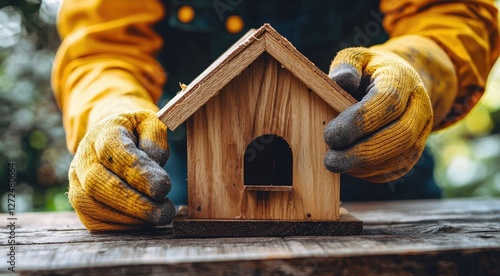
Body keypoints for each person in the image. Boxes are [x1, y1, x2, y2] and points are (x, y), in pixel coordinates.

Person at [52, 0, 500, 231]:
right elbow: (103, 48)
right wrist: (109, 113)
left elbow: (449, 16)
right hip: (187, 194)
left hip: (386, 182)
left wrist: (414, 71)